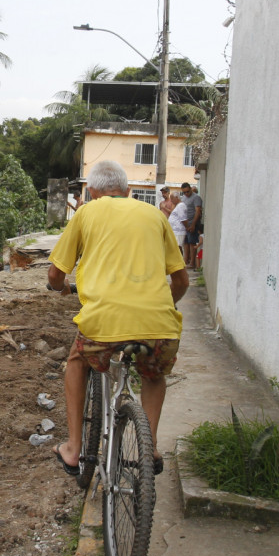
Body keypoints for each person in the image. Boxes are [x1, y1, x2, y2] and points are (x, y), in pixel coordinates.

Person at [48, 160, 189, 477]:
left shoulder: (86, 212)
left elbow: (56, 273)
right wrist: (166, 307)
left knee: (76, 361)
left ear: (92, 193)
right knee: (153, 374)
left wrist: (59, 288)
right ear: (127, 192)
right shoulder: (156, 215)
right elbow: (181, 282)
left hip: (104, 323)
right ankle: (149, 447)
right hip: (159, 323)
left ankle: (73, 449)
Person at [180, 182, 203, 270]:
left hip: (193, 223)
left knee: (192, 242)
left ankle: (192, 262)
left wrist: (193, 224)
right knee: (186, 243)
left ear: (190, 189)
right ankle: (186, 261)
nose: (186, 194)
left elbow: (198, 211)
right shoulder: (183, 198)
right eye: (184, 192)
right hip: (185, 224)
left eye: (187, 192)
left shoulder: (196, 198)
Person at [167, 194, 189, 258]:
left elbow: (183, 218)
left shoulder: (181, 206)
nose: (171, 201)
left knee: (178, 247)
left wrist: (187, 227)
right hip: (176, 230)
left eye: (172, 198)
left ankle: (180, 261)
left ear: (177, 197)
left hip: (179, 230)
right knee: (176, 246)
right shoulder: (178, 206)